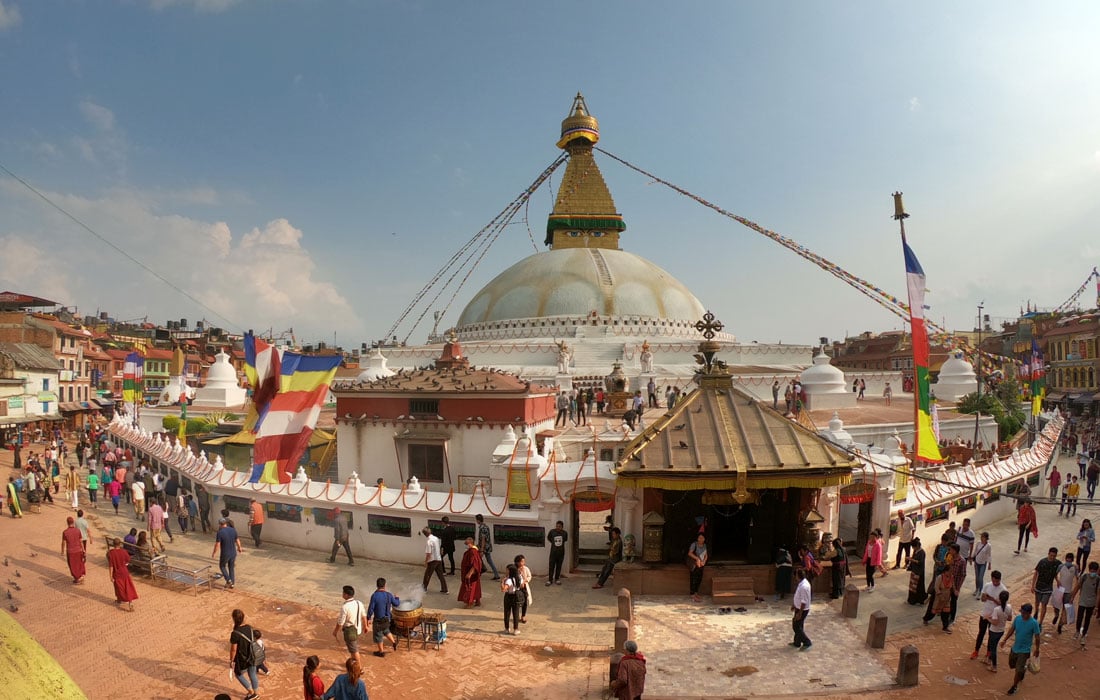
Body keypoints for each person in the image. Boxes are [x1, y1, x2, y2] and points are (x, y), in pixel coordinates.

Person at [1000, 602, 1041, 696]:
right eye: (1022, 612)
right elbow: (1012, 629)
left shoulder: (1034, 623)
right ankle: (1023, 669)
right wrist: (1005, 640)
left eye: (1024, 613)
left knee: (1018, 670)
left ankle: (1014, 686)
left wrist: (1037, 649)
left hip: (1025, 650)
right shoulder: (1018, 618)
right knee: (1012, 664)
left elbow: (1037, 637)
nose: (1022, 614)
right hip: (1015, 648)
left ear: (1029, 613)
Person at [972, 570, 1007, 661]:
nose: (995, 583)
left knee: (991, 635)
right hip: (985, 613)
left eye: (997, 581)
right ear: (992, 579)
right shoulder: (987, 585)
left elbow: (1002, 604)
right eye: (994, 581)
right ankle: (976, 650)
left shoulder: (1003, 589)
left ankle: (989, 652)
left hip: (994, 615)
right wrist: (984, 597)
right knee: (981, 633)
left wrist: (991, 598)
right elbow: (983, 599)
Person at [228, 608, 260, 700]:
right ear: (243, 618)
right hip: (252, 655)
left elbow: (233, 650)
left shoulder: (235, 633)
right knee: (253, 674)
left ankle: (250, 692)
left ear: (234, 619)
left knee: (238, 674)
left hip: (242, 659)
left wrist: (231, 661)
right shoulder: (249, 628)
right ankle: (256, 693)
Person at [333, 584, 367, 664]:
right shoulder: (359, 603)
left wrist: (335, 631)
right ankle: (353, 663)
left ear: (346, 595)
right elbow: (364, 616)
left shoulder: (345, 607)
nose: (342, 594)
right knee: (352, 649)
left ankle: (358, 667)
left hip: (350, 632)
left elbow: (340, 622)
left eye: (343, 593)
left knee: (354, 650)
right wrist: (365, 626)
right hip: (357, 630)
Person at [366, 577, 399, 658]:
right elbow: (396, 604)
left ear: (377, 585)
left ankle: (381, 652)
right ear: (385, 585)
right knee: (386, 630)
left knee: (378, 635)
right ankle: (394, 642)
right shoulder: (389, 595)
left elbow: (371, 608)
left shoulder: (374, 596)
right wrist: (397, 597)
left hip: (378, 620)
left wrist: (368, 618)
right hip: (387, 619)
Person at [1071, 560, 1100, 644]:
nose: (1092, 573)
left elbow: (1098, 594)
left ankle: (1083, 635)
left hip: (1091, 603)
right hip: (1082, 601)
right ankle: (1077, 631)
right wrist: (1072, 596)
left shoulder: (1098, 580)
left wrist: (1096, 607)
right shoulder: (1084, 577)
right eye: (1091, 571)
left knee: (1087, 619)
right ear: (1089, 569)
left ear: (1097, 571)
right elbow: (1077, 587)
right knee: (1079, 617)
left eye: (1094, 571)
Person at [107, 537, 138, 611]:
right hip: (125, 572)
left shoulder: (111, 554)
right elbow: (128, 560)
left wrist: (110, 576)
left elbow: (111, 566)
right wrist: (124, 564)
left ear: (113, 544)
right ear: (120, 544)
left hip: (117, 574)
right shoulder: (124, 551)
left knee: (119, 588)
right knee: (128, 588)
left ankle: (119, 599)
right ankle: (130, 603)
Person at [212, 517, 243, 589]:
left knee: (222, 566)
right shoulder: (233, 530)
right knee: (231, 568)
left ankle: (228, 579)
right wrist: (239, 548)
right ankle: (232, 583)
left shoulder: (220, 532)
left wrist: (214, 552)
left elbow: (217, 544)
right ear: (226, 523)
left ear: (220, 524)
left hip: (225, 553)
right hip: (233, 552)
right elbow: (237, 540)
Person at [986, 590, 1013, 672]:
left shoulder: (997, 609)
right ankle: (989, 660)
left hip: (994, 631)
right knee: (993, 646)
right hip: (1001, 631)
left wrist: (987, 618)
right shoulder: (1009, 608)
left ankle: (994, 666)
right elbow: (1009, 618)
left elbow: (995, 622)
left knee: (993, 648)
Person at [1033, 547, 1060, 625]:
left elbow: (1056, 573)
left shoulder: (1057, 563)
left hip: (1048, 588)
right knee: (1037, 602)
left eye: (1054, 556)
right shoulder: (1042, 562)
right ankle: (1036, 611)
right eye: (1051, 555)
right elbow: (1036, 573)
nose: (1052, 557)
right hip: (1039, 586)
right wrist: (1033, 585)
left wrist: (1058, 580)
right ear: (1048, 554)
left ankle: (1040, 622)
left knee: (1044, 604)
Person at [790, 568, 812, 650]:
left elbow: (804, 601)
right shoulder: (801, 584)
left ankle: (807, 642)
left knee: (796, 626)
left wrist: (800, 613)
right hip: (798, 608)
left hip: (802, 610)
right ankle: (797, 642)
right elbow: (798, 597)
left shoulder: (804, 586)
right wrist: (794, 605)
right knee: (799, 625)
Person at [421, 527, 448, 594]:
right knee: (440, 575)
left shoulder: (429, 542)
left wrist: (426, 561)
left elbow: (428, 553)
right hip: (438, 559)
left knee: (427, 575)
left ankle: (424, 588)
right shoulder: (436, 538)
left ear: (425, 534)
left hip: (432, 560)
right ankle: (445, 589)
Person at [458, 537, 483, 608]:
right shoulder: (471, 550)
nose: (465, 545)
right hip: (470, 572)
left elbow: (475, 563)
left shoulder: (473, 551)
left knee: (470, 588)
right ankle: (478, 601)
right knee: (476, 587)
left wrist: (470, 573)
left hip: (471, 574)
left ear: (470, 544)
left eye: (466, 544)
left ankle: (470, 603)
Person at [61, 516, 86, 584]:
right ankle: (81, 576)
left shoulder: (65, 532)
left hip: (70, 551)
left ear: (67, 523)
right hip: (78, 550)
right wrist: (83, 550)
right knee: (79, 563)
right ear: (73, 522)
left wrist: (62, 551)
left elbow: (63, 543)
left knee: (72, 565)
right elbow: (81, 541)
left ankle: (77, 578)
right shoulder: (77, 531)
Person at [474, 513, 499, 580]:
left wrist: (481, 549)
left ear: (478, 520)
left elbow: (483, 539)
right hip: (487, 546)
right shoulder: (486, 527)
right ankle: (496, 574)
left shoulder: (482, 528)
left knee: (478, 559)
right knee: (489, 560)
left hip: (484, 547)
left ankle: (481, 570)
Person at [501, 563, 522, 635]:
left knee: (507, 613)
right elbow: (522, 585)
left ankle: (507, 629)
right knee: (516, 613)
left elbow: (504, 589)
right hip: (516, 596)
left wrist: (502, 582)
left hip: (509, 596)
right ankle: (516, 629)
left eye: (507, 570)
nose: (506, 571)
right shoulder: (519, 578)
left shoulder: (508, 580)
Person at [905, 537, 927, 605]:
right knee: (912, 587)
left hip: (919, 572)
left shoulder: (922, 552)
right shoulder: (916, 551)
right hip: (914, 571)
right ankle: (911, 600)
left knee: (918, 587)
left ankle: (919, 599)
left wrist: (911, 560)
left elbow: (920, 562)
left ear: (917, 546)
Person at [687, 533, 708, 602]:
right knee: (693, 579)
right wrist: (697, 559)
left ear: (704, 539)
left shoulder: (704, 545)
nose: (701, 539)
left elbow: (706, 555)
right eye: (699, 538)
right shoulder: (694, 544)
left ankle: (696, 593)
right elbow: (690, 553)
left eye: (702, 538)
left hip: (701, 564)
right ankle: (692, 594)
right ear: (697, 538)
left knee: (699, 579)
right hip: (695, 564)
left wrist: (704, 561)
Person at [546, 519, 568, 585]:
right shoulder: (552, 532)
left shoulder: (564, 533)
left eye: (559, 526)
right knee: (551, 566)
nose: (558, 527)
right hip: (553, 552)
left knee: (559, 566)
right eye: (557, 526)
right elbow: (549, 538)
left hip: (561, 552)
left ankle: (557, 579)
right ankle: (550, 580)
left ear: (562, 527)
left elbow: (565, 540)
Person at [972, 532, 993, 597]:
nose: (981, 538)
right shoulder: (978, 543)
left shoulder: (988, 546)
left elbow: (989, 555)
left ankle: (980, 591)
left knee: (980, 577)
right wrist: (972, 557)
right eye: (981, 537)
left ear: (986, 538)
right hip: (977, 562)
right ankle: (977, 589)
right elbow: (975, 551)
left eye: (983, 537)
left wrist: (989, 564)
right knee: (977, 577)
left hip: (983, 563)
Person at [515, 554, 533, 623]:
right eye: (521, 562)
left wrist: (525, 581)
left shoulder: (526, 568)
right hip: (517, 587)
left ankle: (523, 616)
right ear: (517, 562)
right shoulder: (515, 569)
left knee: (525, 601)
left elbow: (529, 576)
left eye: (523, 561)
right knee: (517, 602)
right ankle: (516, 615)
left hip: (524, 587)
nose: (523, 563)